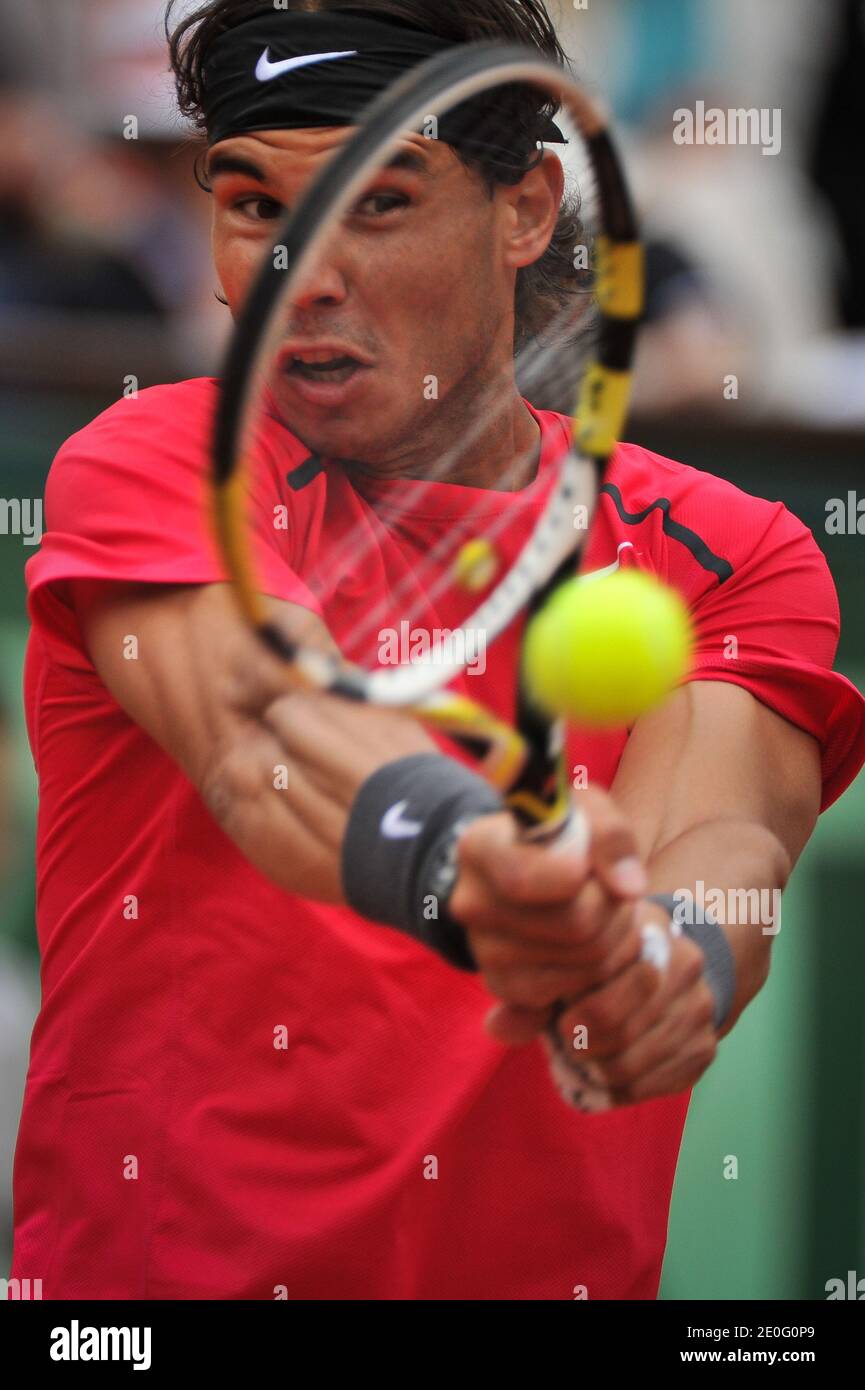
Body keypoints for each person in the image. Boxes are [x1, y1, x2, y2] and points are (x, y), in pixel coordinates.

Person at [9, 0, 865, 1301]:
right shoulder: (151, 458)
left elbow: (724, 841)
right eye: (251, 206)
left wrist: (658, 965)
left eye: (379, 202)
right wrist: (479, 865)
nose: (303, 268)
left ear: (523, 210)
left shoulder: (732, 551)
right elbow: (264, 740)